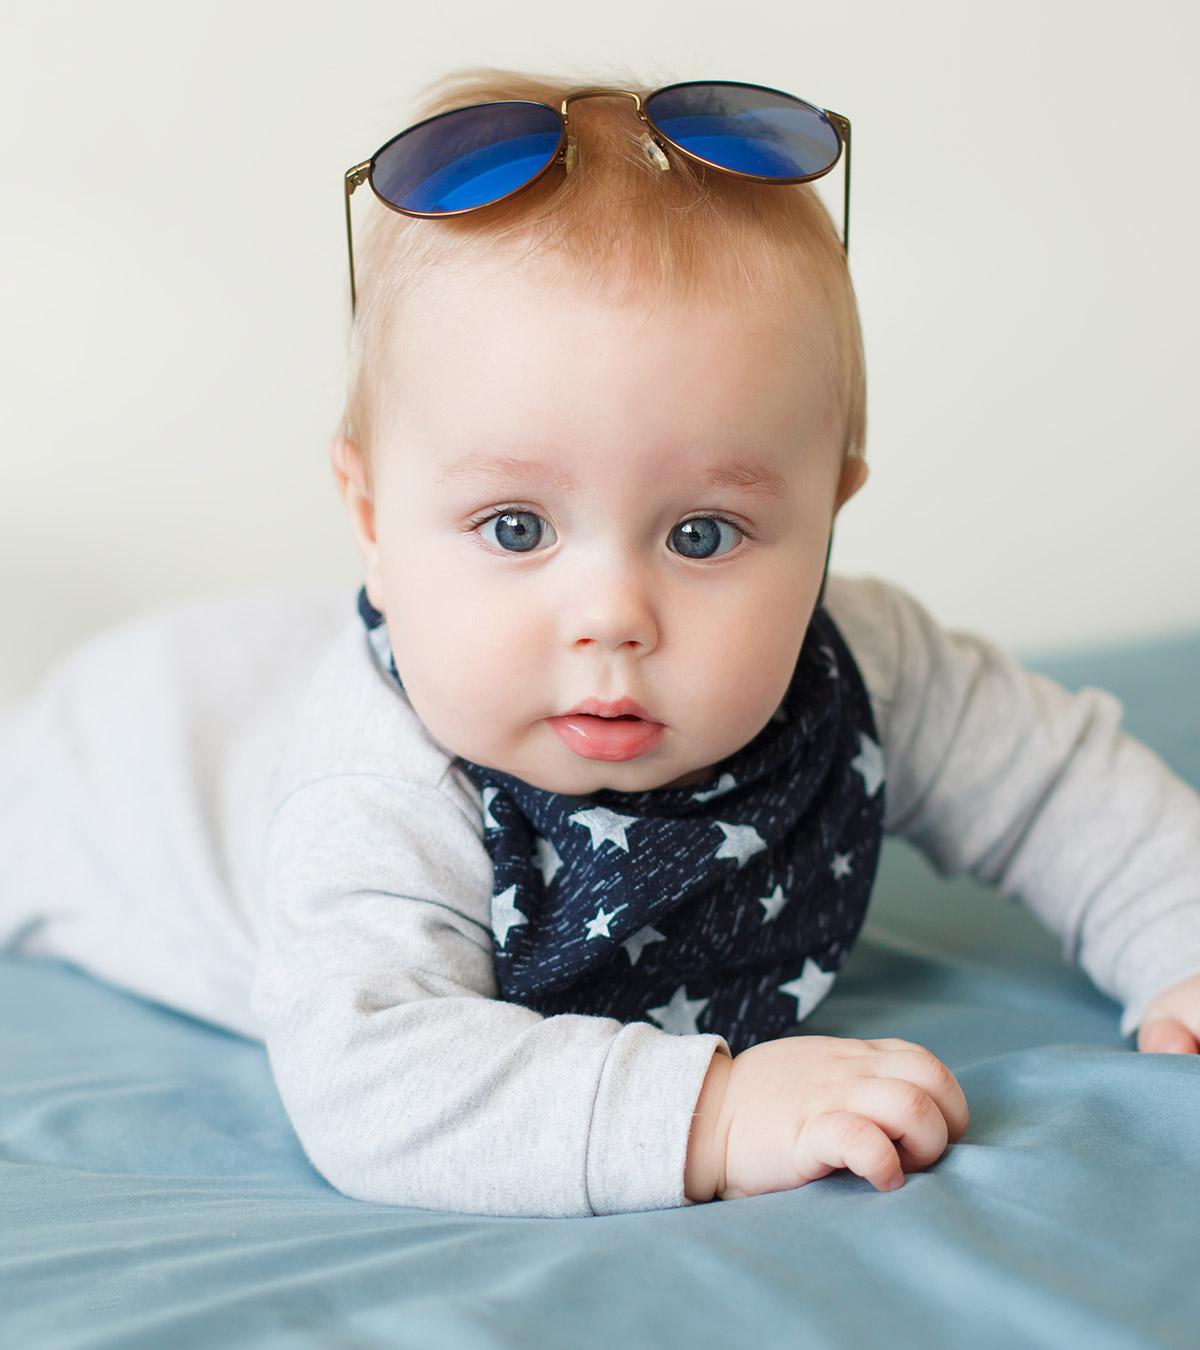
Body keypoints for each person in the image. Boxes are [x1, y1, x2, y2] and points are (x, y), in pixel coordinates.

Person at [3, 66, 1200, 1220]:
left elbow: (1059, 786)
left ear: (829, 516)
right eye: (516, 527)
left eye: (702, 533)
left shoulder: (869, 669)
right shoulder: (379, 786)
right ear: (371, 520)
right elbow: (374, 1081)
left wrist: (1179, 942)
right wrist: (714, 1116)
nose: (612, 614)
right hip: (128, 760)